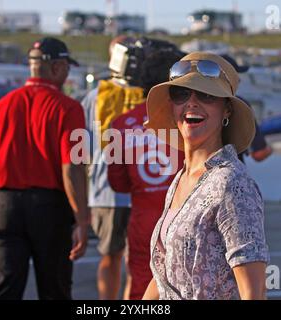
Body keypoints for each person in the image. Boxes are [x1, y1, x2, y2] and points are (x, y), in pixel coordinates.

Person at [0, 37, 89, 300]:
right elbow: (73, 168)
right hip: (50, 208)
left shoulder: (1, 106)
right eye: (67, 67)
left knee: (3, 288)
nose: (68, 73)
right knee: (54, 288)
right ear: (57, 67)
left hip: (5, 205)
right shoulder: (69, 108)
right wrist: (82, 219)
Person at [143, 51, 269, 300]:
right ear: (172, 106)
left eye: (206, 95)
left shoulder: (232, 184)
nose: (191, 102)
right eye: (181, 94)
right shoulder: (181, 179)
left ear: (227, 111)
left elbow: (253, 292)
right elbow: (163, 276)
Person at [108, 49, 185, 299]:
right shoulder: (189, 120)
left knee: (142, 290)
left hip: (143, 221)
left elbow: (117, 183)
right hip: (184, 221)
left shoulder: (120, 124)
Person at [81, 35, 142, 300]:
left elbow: (80, 148)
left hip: (104, 192)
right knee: (138, 261)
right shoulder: (149, 93)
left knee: (110, 256)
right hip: (143, 189)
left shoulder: (95, 96)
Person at [220, 54, 272, 162]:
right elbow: (259, 154)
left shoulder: (195, 105)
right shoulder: (241, 105)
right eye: (236, 75)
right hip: (231, 174)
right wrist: (270, 149)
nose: (239, 80)